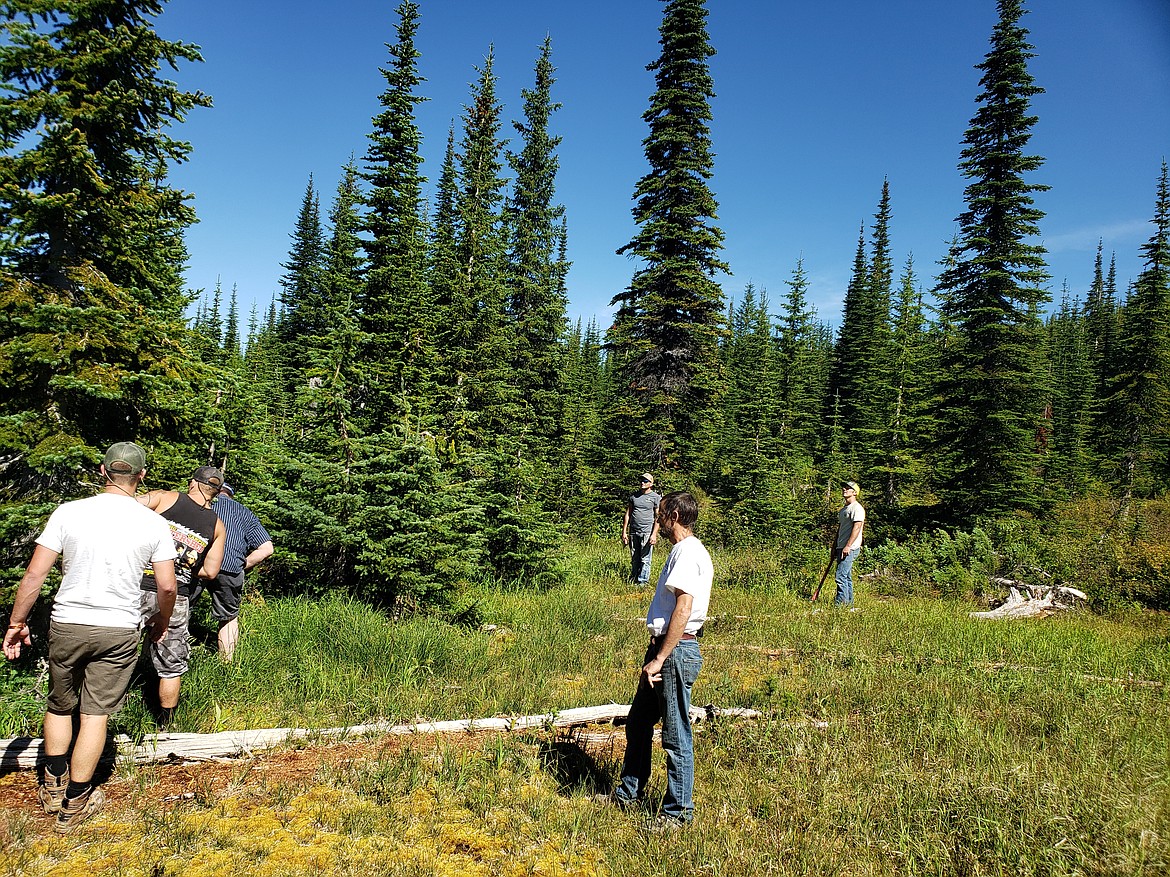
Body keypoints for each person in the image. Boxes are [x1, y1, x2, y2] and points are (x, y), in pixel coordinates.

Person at [3, 442, 177, 833]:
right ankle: (75, 803)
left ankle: (51, 785)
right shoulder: (153, 524)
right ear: (141, 476)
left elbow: (34, 576)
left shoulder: (69, 512)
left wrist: (17, 622)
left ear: (102, 472)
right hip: (118, 628)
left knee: (60, 705)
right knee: (95, 714)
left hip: (68, 622)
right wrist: (160, 622)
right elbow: (167, 586)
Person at [608, 491, 712, 828]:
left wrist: (661, 656)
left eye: (662, 515)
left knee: (675, 732)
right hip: (665, 649)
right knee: (639, 723)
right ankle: (629, 792)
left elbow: (683, 607)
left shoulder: (689, 553)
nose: (658, 521)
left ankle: (678, 813)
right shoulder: (682, 551)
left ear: (676, 516)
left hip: (676, 651)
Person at [137, 466, 227, 727]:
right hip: (177, 594)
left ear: (192, 483)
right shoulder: (217, 526)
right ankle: (166, 725)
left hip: (137, 585)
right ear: (216, 492)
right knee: (171, 663)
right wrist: (186, 568)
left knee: (118, 650)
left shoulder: (165, 498)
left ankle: (102, 716)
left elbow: (127, 507)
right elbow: (211, 571)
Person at [205, 483, 273, 661]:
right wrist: (242, 564)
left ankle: (173, 658)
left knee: (181, 608)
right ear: (231, 495)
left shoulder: (203, 503)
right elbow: (267, 548)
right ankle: (227, 664)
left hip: (199, 565)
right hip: (231, 567)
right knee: (228, 617)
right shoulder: (244, 512)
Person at [621, 473, 661, 585]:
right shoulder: (634, 497)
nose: (642, 482)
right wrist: (624, 532)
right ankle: (633, 578)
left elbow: (658, 517)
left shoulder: (655, 497)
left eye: (645, 481)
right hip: (634, 531)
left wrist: (654, 534)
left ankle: (642, 582)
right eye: (641, 480)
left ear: (651, 484)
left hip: (647, 531)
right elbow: (628, 514)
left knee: (645, 559)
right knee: (634, 557)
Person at [833, 480, 866, 606]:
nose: (844, 489)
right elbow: (840, 530)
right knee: (846, 577)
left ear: (855, 492)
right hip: (841, 546)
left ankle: (840, 606)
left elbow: (857, 527)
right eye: (844, 487)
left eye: (848, 488)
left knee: (840, 576)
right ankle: (849, 605)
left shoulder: (857, 508)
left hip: (850, 547)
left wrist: (848, 546)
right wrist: (835, 547)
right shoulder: (843, 510)